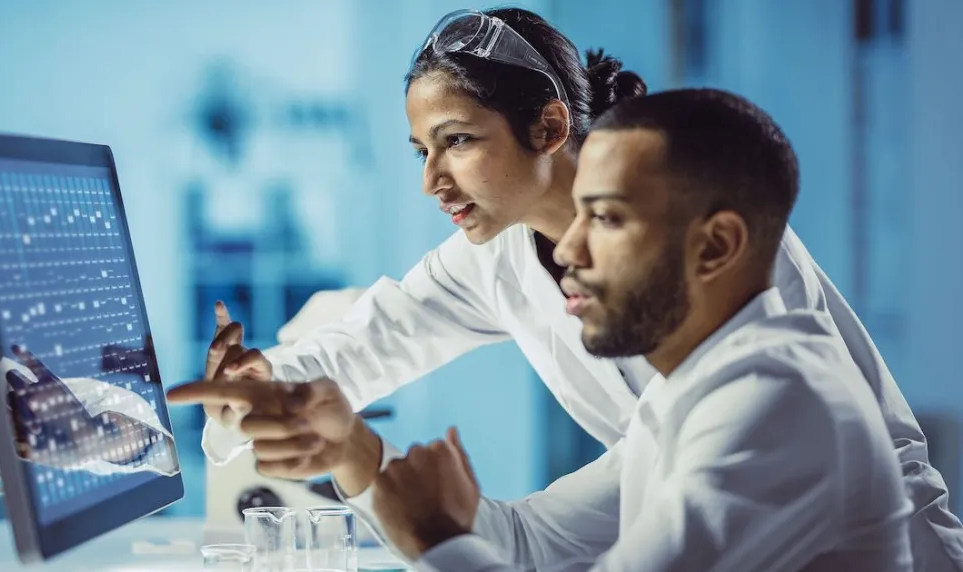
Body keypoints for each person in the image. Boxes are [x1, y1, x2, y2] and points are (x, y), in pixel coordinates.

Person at [189, 8, 963, 569]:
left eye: (456, 141)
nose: (432, 180)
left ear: (552, 129)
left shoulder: (753, 361)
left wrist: (437, 533)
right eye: (422, 150)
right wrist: (286, 405)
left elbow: (767, 425)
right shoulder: (656, 394)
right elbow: (364, 353)